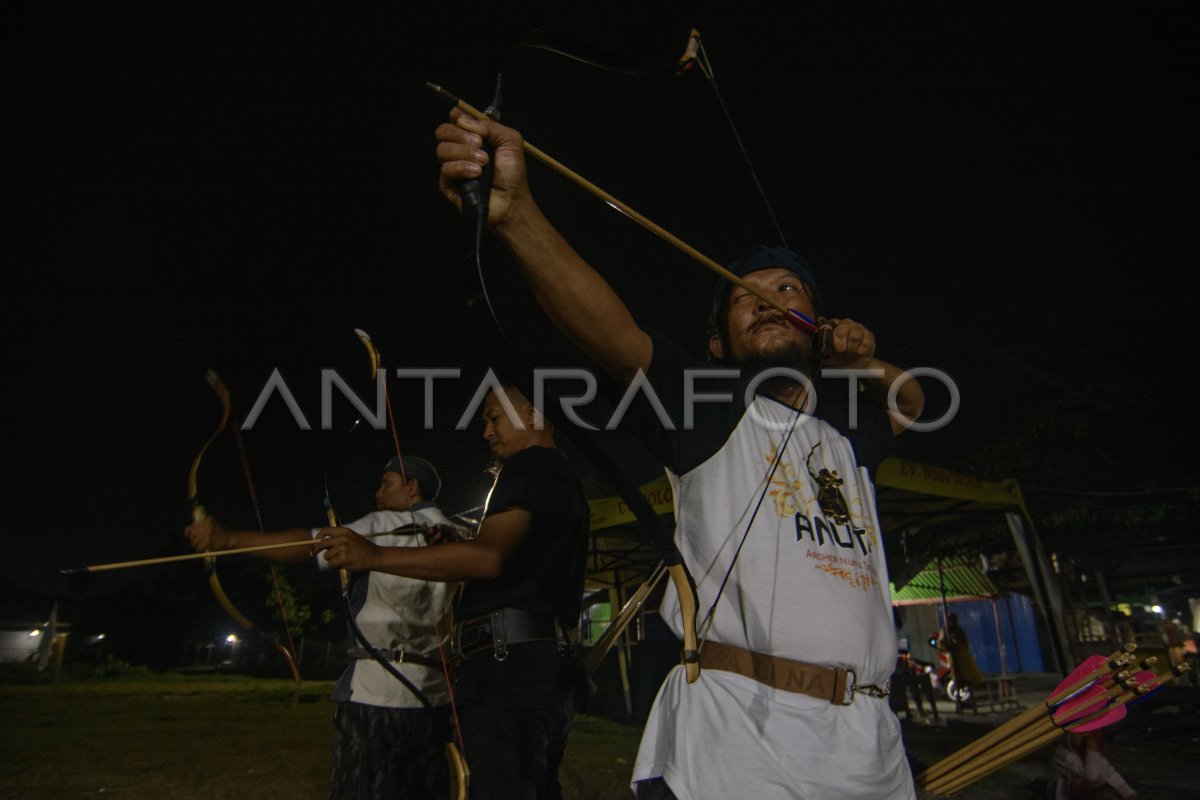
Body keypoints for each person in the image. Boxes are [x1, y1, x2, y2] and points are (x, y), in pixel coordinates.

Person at [434, 111, 926, 799]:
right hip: (744, 741)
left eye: (790, 291)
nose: (769, 299)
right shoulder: (709, 406)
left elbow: (910, 403)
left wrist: (870, 363)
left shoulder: (846, 436)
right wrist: (516, 215)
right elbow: (610, 330)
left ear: (816, 333)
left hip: (869, 740)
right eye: (746, 298)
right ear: (719, 347)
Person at [318, 384, 591, 800]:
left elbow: (487, 559)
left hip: (508, 669)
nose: (486, 431)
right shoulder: (557, 473)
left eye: (493, 418)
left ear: (532, 414)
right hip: (537, 668)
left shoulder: (530, 464)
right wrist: (453, 545)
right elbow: (509, 564)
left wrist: (373, 555)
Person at [185, 455, 456, 800]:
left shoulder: (387, 524)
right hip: (434, 697)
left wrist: (229, 539)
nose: (377, 492)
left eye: (386, 483)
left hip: (378, 695)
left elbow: (312, 545)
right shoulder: (455, 535)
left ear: (412, 486)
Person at [1052, 731, 1139, 799]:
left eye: (1089, 735)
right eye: (1080, 734)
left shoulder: (1084, 752)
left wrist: (1128, 793)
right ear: (1071, 734)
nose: (1085, 738)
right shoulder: (1064, 755)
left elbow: (1109, 773)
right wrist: (1091, 751)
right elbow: (1091, 777)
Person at [939, 611, 983, 703]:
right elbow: (941, 643)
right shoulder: (945, 629)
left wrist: (959, 643)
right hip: (955, 658)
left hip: (963, 657)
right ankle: (961, 701)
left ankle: (966, 699)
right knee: (959, 678)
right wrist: (950, 646)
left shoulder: (957, 629)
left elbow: (965, 642)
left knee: (971, 677)